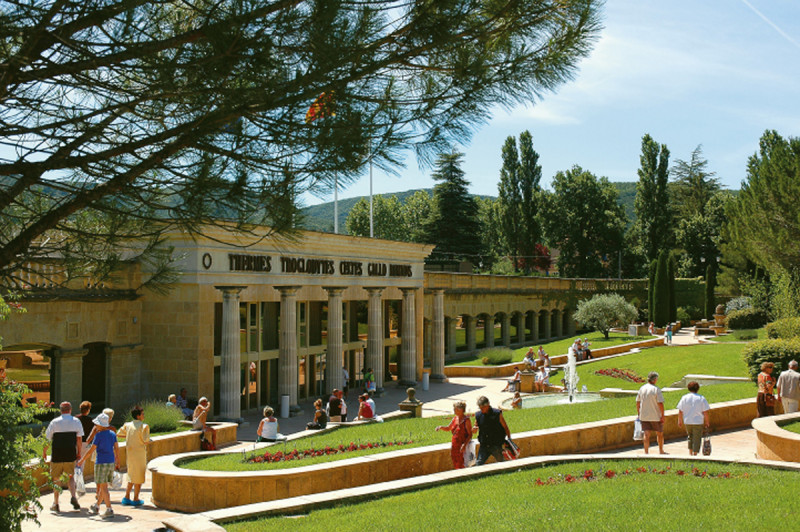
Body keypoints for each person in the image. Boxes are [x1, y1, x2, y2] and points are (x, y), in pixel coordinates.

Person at [43, 401, 83, 513]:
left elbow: (48, 439)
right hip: (70, 453)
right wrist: (79, 452)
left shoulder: (54, 422)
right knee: (70, 477)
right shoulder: (76, 421)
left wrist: (44, 452)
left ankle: (56, 503)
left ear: (60, 410)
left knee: (56, 478)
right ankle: (73, 496)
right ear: (70, 410)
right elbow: (79, 439)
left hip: (57, 454)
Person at [78, 412, 119, 518]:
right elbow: (116, 448)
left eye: (97, 424)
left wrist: (82, 460)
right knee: (103, 485)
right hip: (110, 462)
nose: (95, 425)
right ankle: (97, 506)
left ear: (101, 425)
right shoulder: (112, 434)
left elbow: (91, 450)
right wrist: (117, 460)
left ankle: (109, 509)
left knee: (103, 486)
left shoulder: (99, 435)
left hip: (101, 462)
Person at [118, 406, 150, 507]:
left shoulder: (127, 425)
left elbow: (119, 434)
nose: (144, 415)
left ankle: (127, 496)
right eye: (142, 414)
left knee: (131, 474)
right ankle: (136, 498)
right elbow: (146, 440)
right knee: (139, 475)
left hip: (130, 454)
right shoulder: (144, 426)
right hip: (139, 454)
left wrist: (129, 437)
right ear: (138, 416)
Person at [472, 396, 511, 465]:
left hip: (496, 444)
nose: (481, 410)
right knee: (479, 463)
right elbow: (475, 428)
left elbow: (505, 427)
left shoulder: (497, 413)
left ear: (488, 405)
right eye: (480, 408)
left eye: (483, 408)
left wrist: (509, 440)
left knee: (501, 462)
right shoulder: (478, 415)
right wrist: (474, 429)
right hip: (484, 445)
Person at [435, 401, 473, 469]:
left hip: (462, 444)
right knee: (455, 460)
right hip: (455, 444)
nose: (454, 410)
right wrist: (440, 427)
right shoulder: (455, 418)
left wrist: (464, 445)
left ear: (461, 410)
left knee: (462, 461)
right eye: (454, 409)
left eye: (456, 409)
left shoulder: (466, 420)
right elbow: (448, 428)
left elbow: (470, 434)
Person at [676, 381, 711, 456]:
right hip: (698, 421)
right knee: (697, 438)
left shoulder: (684, 398)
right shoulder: (701, 398)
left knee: (690, 437)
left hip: (687, 421)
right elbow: (705, 412)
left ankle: (690, 452)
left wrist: (679, 420)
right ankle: (695, 454)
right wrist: (707, 422)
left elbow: (680, 411)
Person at [636, 371, 666, 455]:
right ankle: (661, 450)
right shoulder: (656, 389)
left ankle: (646, 452)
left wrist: (639, 413)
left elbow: (638, 402)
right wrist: (662, 415)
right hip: (655, 415)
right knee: (659, 433)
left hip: (644, 415)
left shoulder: (642, 388)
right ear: (655, 379)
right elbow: (660, 403)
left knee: (646, 434)